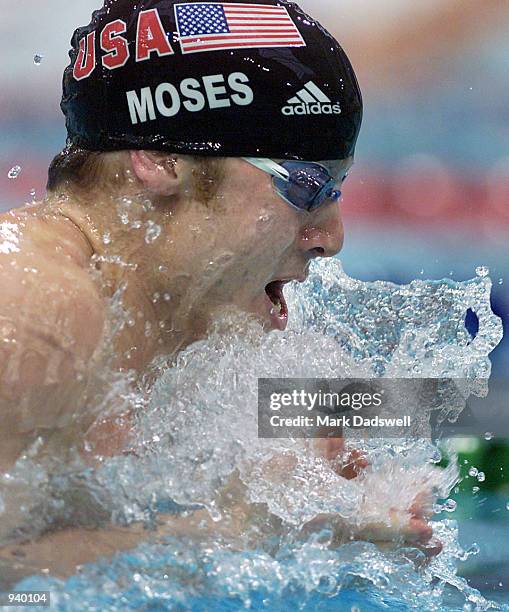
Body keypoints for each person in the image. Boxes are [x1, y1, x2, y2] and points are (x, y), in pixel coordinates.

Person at [0, 0, 438, 579]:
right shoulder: (34, 313)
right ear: (161, 158)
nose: (331, 237)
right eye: (307, 186)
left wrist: (298, 469)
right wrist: (254, 532)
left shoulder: (162, 306)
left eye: (337, 188)